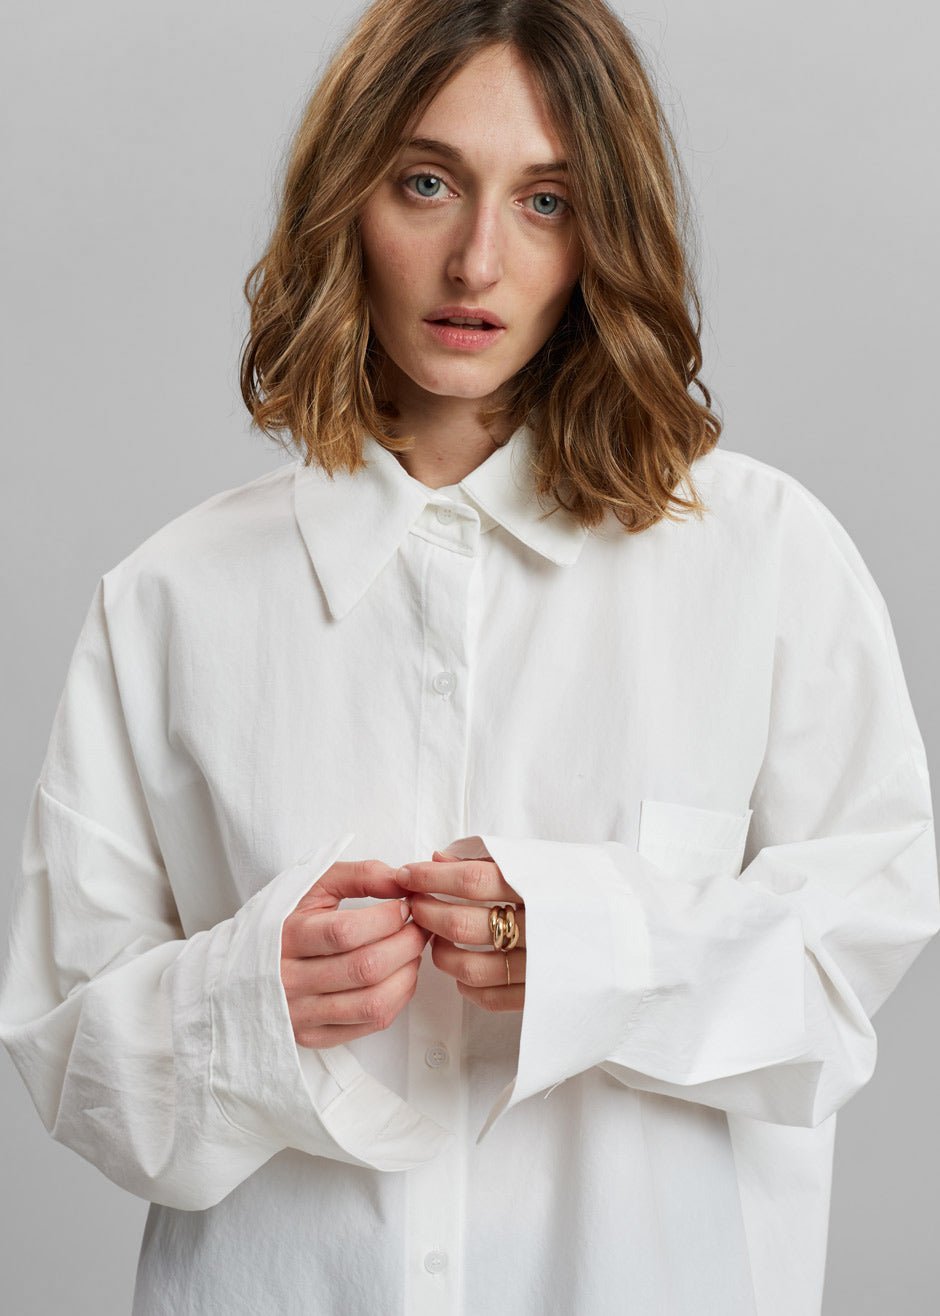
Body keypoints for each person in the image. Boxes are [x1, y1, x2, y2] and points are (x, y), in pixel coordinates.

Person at [0, 0, 936, 1312]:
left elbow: (850, 963)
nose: (477, 261)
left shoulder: (765, 560)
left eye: (547, 201)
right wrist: (249, 1000)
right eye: (427, 183)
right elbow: (66, 1051)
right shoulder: (171, 602)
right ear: (347, 201)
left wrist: (593, 948)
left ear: (604, 233)